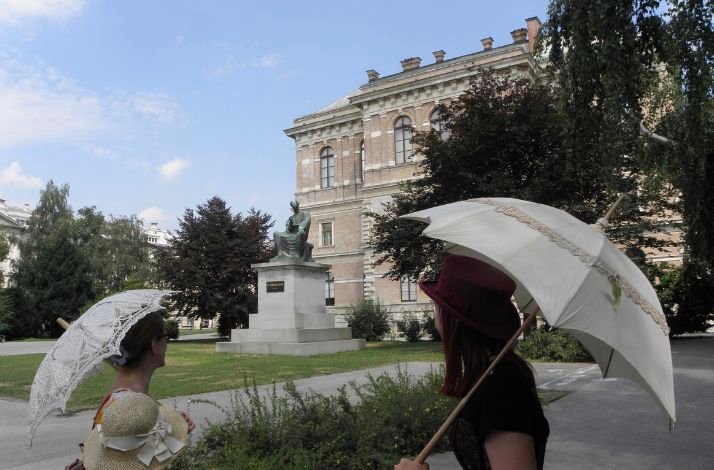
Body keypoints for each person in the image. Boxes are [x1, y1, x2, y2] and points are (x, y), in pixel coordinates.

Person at [395, 255, 549, 470]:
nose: (435, 313)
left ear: (453, 320)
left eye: (437, 305)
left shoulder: (503, 389)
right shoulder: (491, 375)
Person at [72, 311, 195, 469]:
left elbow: (142, 459)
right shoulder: (130, 406)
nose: (167, 343)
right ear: (153, 345)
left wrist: (173, 431)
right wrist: (171, 433)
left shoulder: (128, 399)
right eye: (165, 337)